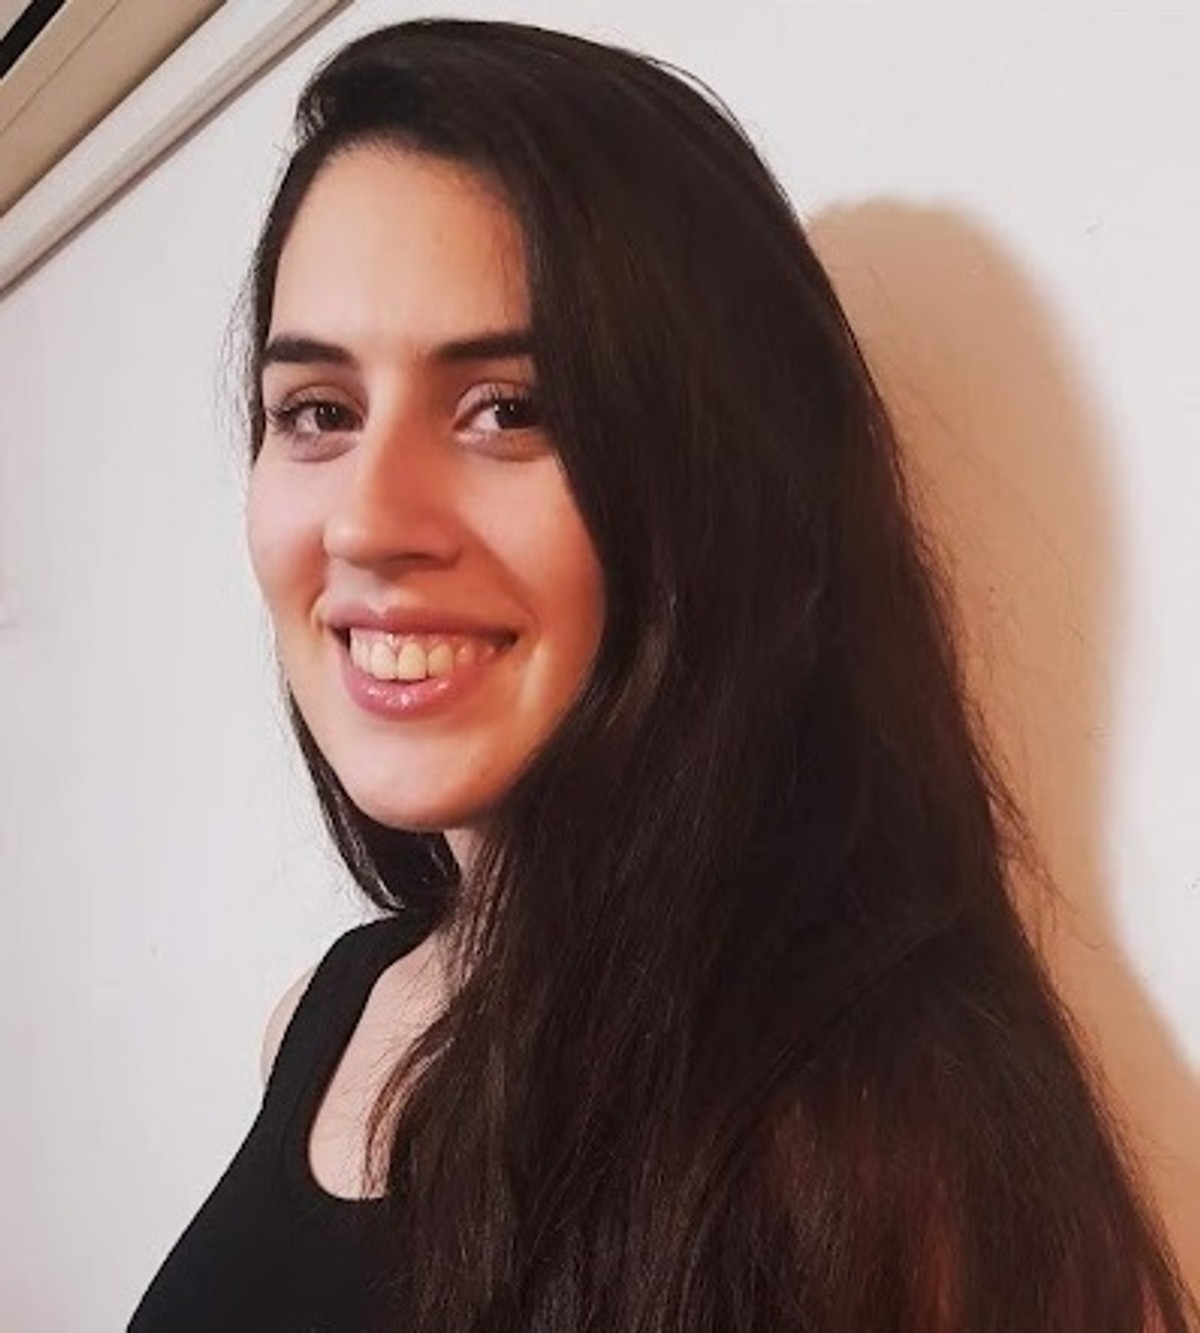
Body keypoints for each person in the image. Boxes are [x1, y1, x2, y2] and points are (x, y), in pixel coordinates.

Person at [130, 17, 1196, 1332]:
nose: (366, 520)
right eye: (318, 412)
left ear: (715, 480)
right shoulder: (323, 1017)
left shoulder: (887, 1157)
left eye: (509, 407)